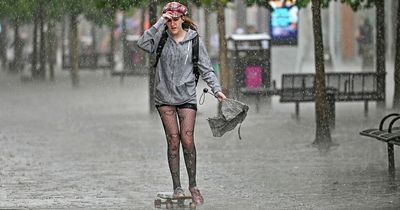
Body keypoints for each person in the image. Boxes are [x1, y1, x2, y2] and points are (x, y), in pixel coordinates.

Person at [137, 1, 226, 205]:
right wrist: (160, 22)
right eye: (169, 20)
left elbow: (206, 69)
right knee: (173, 141)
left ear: (183, 19)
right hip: (165, 98)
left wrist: (217, 90)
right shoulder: (159, 38)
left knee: (187, 140)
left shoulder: (194, 41)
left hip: (186, 96)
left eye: (175, 19)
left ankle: (193, 185)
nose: (172, 23)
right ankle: (177, 186)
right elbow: (141, 43)